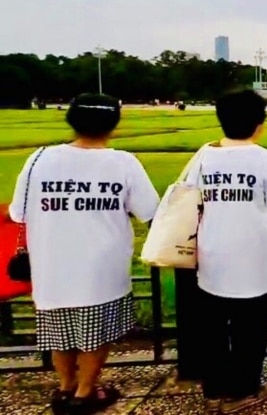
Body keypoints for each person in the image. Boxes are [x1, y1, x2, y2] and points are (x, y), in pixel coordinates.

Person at [9, 94, 160, 414]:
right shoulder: (122, 163)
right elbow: (150, 211)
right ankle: (86, 390)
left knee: (59, 331)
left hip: (50, 262)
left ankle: (65, 388)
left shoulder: (40, 159)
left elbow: (18, 212)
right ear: (114, 124)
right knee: (95, 333)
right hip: (100, 266)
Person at [193, 89, 267, 413]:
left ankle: (214, 390)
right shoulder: (266, 159)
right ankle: (243, 389)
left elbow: (187, 198)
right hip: (255, 260)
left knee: (212, 331)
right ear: (259, 124)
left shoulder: (204, 156)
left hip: (211, 256)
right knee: (250, 331)